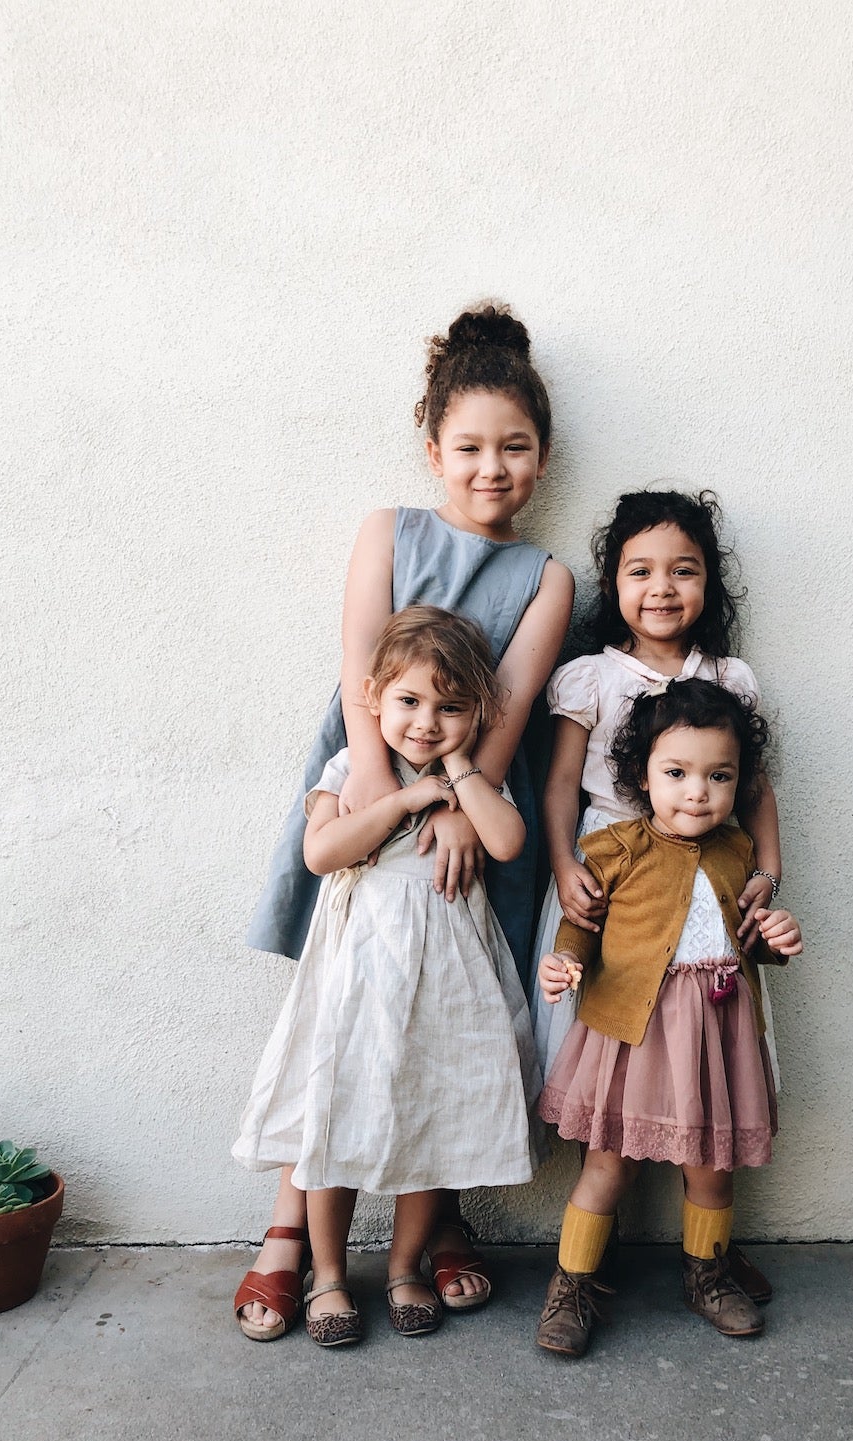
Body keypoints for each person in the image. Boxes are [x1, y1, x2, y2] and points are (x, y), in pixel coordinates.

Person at [236, 304, 573, 1337]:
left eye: (514, 448)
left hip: (473, 794)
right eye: (469, 447)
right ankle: (291, 1228)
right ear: (434, 449)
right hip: (372, 775)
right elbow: (356, 676)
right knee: (344, 1010)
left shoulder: (549, 577)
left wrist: (466, 807)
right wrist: (384, 795)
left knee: (456, 1012)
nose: (491, 467)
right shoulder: (389, 530)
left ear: (543, 459)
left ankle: (438, 1220)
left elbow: (508, 704)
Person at [234, 608, 540, 1345]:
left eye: (451, 707)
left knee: (429, 1113)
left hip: (446, 977)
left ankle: (405, 1267)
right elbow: (322, 853)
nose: (427, 722)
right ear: (373, 697)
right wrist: (405, 799)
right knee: (334, 1115)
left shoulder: (466, 781)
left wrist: (461, 774)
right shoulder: (354, 771)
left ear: (481, 714)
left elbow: (506, 840)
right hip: (361, 974)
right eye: (409, 701)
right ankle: (331, 1276)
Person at [529, 488, 782, 1300]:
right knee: (609, 1072)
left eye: (684, 570)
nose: (662, 588)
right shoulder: (592, 677)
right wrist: (566, 866)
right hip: (613, 892)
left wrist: (768, 876)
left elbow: (759, 794)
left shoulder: (728, 677)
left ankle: (706, 1260)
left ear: (709, 583)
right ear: (614, 582)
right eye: (640, 571)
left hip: (713, 892)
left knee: (707, 1083)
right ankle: (581, 1275)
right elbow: (563, 782)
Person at [534, 678, 802, 1357]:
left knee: (712, 1166)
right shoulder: (615, 850)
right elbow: (579, 929)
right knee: (608, 1166)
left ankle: (707, 1274)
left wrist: (776, 937)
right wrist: (564, 963)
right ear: (642, 777)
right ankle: (572, 1285)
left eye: (719, 776)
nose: (698, 792)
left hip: (716, 1034)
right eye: (677, 773)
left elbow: (750, 940)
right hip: (633, 1031)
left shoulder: (740, 852)